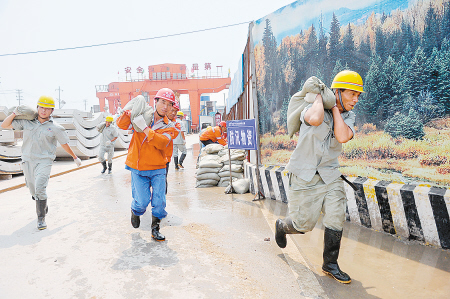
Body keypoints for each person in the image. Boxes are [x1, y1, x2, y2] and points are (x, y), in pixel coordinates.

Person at [275, 70, 363, 284]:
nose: (356, 99)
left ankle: (330, 264)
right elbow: (314, 119)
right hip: (305, 176)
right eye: (352, 94)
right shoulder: (312, 108)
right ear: (337, 92)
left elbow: (342, 136)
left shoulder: (348, 116)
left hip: (331, 175)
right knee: (303, 224)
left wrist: (335, 108)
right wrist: (320, 98)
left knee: (336, 216)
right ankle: (282, 226)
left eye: (359, 95)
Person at [0, 96, 82, 230]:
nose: (44, 111)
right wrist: (15, 112)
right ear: (37, 108)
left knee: (40, 188)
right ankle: (42, 204)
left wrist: (75, 157)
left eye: (47, 109)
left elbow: (65, 144)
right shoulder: (27, 123)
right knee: (33, 191)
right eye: (41, 107)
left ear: (52, 111)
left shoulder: (56, 128)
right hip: (27, 160)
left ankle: (41, 218)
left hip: (44, 161)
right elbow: (4, 125)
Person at [116, 88, 178, 241]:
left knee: (159, 201)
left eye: (169, 104)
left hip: (158, 168)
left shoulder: (171, 126)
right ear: (155, 101)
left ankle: (155, 228)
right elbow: (122, 125)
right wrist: (127, 112)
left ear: (172, 107)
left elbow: (162, 143)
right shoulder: (140, 115)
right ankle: (135, 211)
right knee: (142, 201)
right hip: (138, 167)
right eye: (162, 102)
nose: (165, 107)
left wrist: (144, 128)